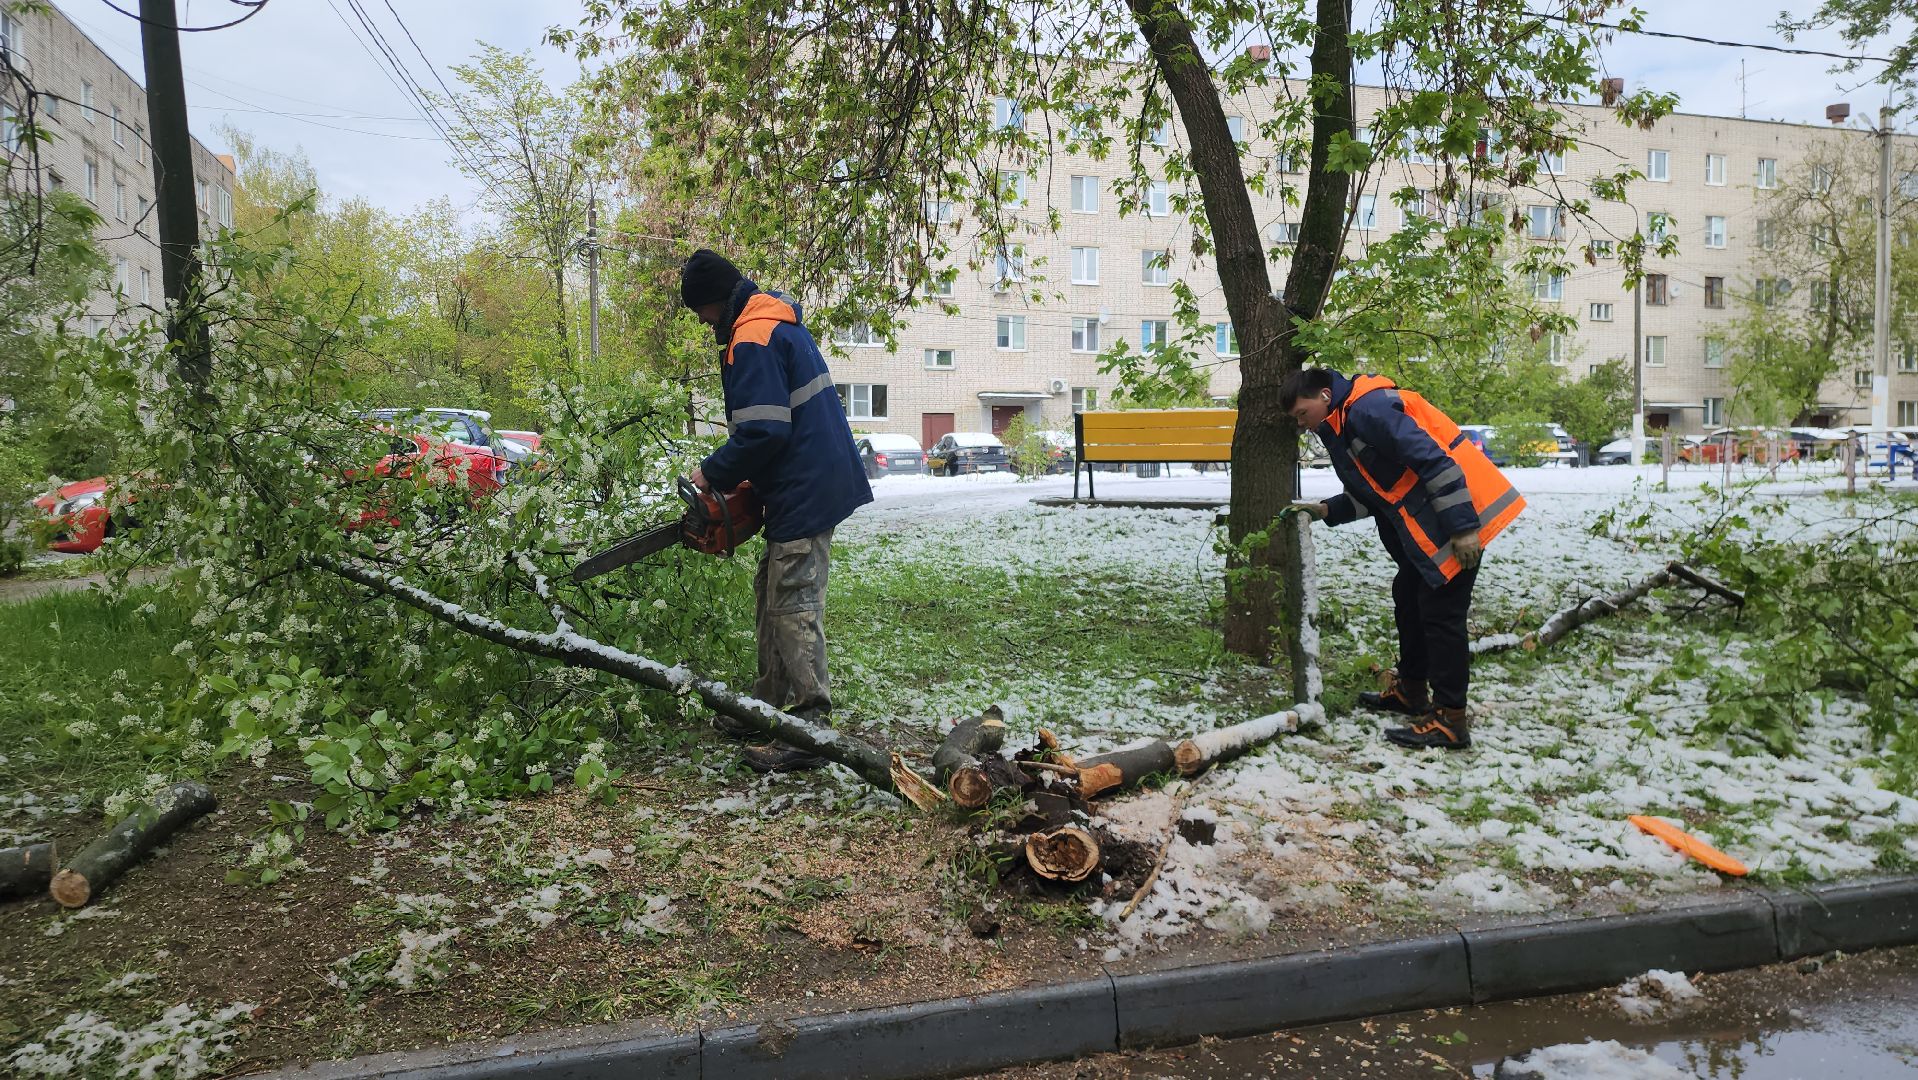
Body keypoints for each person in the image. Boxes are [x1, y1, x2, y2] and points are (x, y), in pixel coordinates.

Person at [681, 249, 873, 772]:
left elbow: (765, 430)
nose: (700, 322)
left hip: (805, 485)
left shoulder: (751, 336)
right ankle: (765, 710)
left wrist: (712, 472)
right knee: (771, 591)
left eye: (699, 311)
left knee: (792, 603)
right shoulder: (768, 322)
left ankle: (809, 731)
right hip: (801, 478)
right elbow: (772, 426)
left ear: (711, 303)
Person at [1283, 368, 1525, 750]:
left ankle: (1451, 719)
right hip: (1432, 529)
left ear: (1325, 395)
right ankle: (1412, 690)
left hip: (1455, 524)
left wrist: (1463, 529)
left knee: (1441, 616)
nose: (1301, 424)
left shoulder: (1367, 411)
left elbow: (1435, 462)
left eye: (1302, 413)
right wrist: (1329, 509)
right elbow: (1379, 492)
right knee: (1409, 596)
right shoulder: (1345, 421)